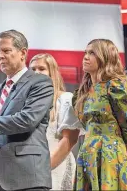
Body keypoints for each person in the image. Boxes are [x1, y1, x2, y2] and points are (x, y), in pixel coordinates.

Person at [0, 30, 54, 191]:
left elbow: (27, 120)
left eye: (6, 51)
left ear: (22, 53)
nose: (0, 56)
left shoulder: (40, 83)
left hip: (28, 177)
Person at [73, 39, 127, 190]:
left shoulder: (116, 86)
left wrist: (122, 157)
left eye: (92, 53)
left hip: (109, 152)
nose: (85, 56)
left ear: (105, 57)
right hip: (87, 153)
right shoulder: (83, 92)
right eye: (85, 52)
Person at [29, 53, 84, 190]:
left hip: (55, 169)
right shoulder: (26, 103)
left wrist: (45, 168)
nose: (36, 73)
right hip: (29, 170)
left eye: (41, 69)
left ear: (52, 72)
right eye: (33, 69)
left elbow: (70, 139)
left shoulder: (65, 99)